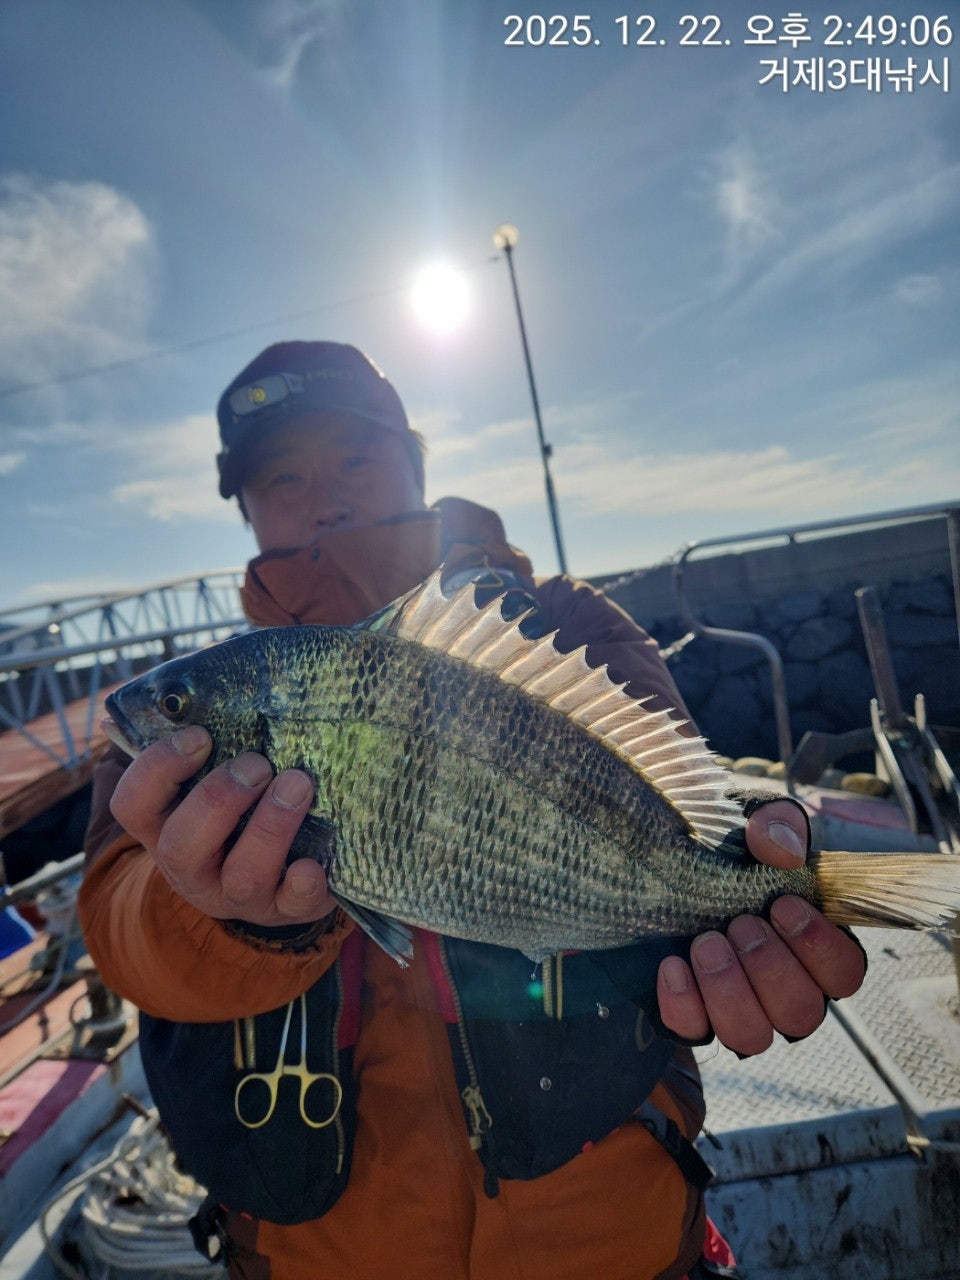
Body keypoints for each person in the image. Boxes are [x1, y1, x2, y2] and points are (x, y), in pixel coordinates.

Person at [79, 342, 866, 1280]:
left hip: (611, 1237)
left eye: (355, 458)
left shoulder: (562, 628)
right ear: (244, 508)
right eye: (283, 477)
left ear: (416, 461)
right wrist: (216, 908)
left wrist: (744, 852)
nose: (324, 498)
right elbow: (116, 924)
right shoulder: (205, 704)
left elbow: (679, 788)